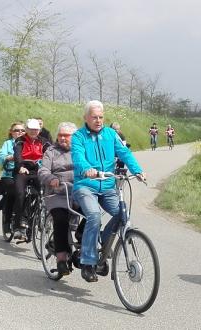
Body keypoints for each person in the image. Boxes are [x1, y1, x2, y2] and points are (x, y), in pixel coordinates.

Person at [71, 100, 146, 283]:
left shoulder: (111, 134)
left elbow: (125, 153)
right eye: (94, 117)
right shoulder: (78, 137)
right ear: (86, 118)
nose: (98, 120)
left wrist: (137, 170)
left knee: (123, 215)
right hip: (86, 185)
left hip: (107, 186)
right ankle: (88, 261)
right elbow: (78, 157)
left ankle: (103, 247)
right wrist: (87, 169)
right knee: (94, 216)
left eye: (101, 117)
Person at [38, 122, 77, 276]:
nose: (62, 138)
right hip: (57, 193)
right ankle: (61, 258)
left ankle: (84, 247)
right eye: (60, 135)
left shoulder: (80, 150)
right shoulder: (51, 151)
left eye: (66, 136)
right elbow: (43, 170)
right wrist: (50, 178)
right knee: (60, 218)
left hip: (77, 191)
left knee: (92, 212)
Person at [12, 118, 51, 239]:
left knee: (43, 193)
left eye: (36, 130)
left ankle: (40, 217)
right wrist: (20, 166)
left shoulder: (44, 142)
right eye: (31, 129)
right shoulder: (20, 141)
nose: (34, 132)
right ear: (27, 130)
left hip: (38, 171)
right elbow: (17, 155)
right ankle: (18, 223)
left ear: (39, 130)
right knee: (20, 194)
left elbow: (51, 153)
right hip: (23, 170)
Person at [0, 122, 25, 229]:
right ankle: (7, 222)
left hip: (24, 174)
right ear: (11, 132)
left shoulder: (28, 143)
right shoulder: (8, 143)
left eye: (22, 130)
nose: (20, 132)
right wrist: (9, 157)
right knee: (13, 193)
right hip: (9, 174)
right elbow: (1, 156)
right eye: (16, 130)